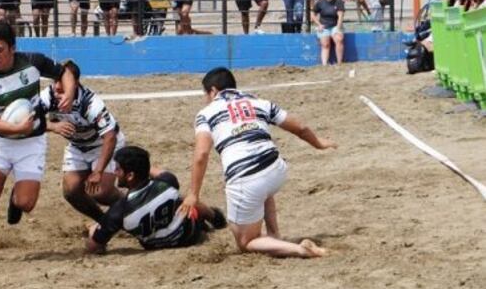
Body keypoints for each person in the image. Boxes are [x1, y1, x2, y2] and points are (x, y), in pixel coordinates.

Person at [179, 67, 335, 258]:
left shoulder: (206, 113)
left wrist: (193, 194)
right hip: (277, 170)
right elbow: (300, 128)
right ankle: (275, 235)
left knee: (246, 242)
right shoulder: (259, 102)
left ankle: (301, 250)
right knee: (263, 184)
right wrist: (318, 143)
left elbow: (202, 153)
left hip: (246, 178)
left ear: (213, 91)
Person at [0, 20, 77, 267]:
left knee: (26, 204)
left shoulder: (33, 61)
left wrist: (69, 93)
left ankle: (15, 200)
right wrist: (16, 128)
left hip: (31, 142)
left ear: (12, 48)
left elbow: (65, 72)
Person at [85, 146, 226, 254]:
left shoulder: (119, 210)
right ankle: (215, 217)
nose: (115, 173)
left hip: (153, 246)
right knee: (184, 200)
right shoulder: (167, 182)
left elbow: (94, 246)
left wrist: (94, 230)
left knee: (107, 225)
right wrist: (140, 163)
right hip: (188, 236)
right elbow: (158, 172)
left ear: (130, 176)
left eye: (118, 169)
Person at [41, 62, 125, 223]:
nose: (58, 86)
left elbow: (110, 137)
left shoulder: (90, 103)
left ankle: (132, 205)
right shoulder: (49, 95)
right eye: (55, 80)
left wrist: (98, 171)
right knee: (71, 192)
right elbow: (28, 120)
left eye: (63, 82)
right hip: (78, 146)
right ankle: (104, 222)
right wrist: (53, 126)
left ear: (75, 83)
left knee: (101, 192)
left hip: (103, 145)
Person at [311, 0, 345, 65]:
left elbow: (340, 16)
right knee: (325, 44)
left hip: (335, 25)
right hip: (324, 26)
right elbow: (312, 14)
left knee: (339, 39)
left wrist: (338, 27)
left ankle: (339, 63)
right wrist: (319, 24)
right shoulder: (320, 2)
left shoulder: (338, 1)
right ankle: (324, 64)